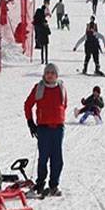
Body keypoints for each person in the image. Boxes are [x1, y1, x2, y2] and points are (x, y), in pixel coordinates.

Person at [24, 63, 68, 197]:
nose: (49, 75)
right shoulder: (39, 88)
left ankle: (54, 185)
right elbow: (28, 105)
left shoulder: (61, 87)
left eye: (52, 73)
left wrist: (58, 118)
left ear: (56, 75)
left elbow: (64, 105)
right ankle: (40, 183)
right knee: (43, 157)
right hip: (43, 128)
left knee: (57, 158)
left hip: (58, 129)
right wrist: (30, 122)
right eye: (47, 73)